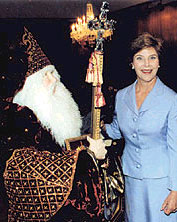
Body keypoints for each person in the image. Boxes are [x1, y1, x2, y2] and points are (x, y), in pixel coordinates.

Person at [0, 27, 107, 222]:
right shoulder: (18, 118)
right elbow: (28, 170)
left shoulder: (49, 114)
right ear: (29, 87)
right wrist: (88, 156)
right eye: (45, 76)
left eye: (53, 73)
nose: (54, 80)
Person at [101, 32, 177, 222]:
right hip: (132, 180)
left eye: (152, 58)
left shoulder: (171, 99)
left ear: (159, 62)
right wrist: (99, 127)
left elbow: (176, 148)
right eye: (140, 58)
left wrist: (175, 190)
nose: (147, 65)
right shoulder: (122, 96)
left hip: (162, 183)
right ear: (132, 63)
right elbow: (118, 130)